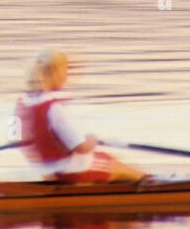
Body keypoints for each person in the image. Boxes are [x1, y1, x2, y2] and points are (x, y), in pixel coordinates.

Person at [14, 49, 147, 183]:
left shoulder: (20, 104)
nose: (67, 77)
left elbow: (14, 138)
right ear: (55, 72)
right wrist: (92, 140)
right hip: (69, 171)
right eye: (66, 72)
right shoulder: (54, 108)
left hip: (43, 171)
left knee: (103, 159)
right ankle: (153, 186)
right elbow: (81, 148)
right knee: (118, 166)